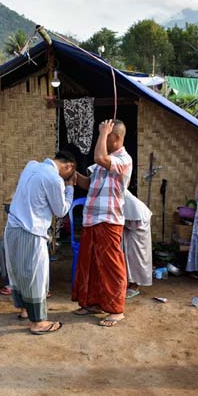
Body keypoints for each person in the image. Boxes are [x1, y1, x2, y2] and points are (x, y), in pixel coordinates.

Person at [4, 150, 77, 334]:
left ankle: (24, 310)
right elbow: (60, 210)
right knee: (36, 276)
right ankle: (38, 323)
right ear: (68, 166)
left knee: (19, 272)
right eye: (72, 172)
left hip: (12, 228)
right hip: (31, 231)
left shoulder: (31, 166)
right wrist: (70, 189)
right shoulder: (54, 179)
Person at [72, 119, 133, 327]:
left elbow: (99, 157)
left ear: (115, 138)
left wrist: (102, 132)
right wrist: (71, 172)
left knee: (111, 265)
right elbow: (88, 184)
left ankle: (116, 310)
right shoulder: (102, 163)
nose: (103, 138)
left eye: (107, 135)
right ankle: (94, 302)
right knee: (91, 265)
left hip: (109, 219)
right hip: (92, 219)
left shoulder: (124, 159)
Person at [122, 189, 153, 298]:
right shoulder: (123, 198)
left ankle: (135, 285)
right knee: (128, 257)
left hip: (138, 231)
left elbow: (135, 221)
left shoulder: (132, 204)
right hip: (131, 229)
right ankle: (129, 282)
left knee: (137, 258)